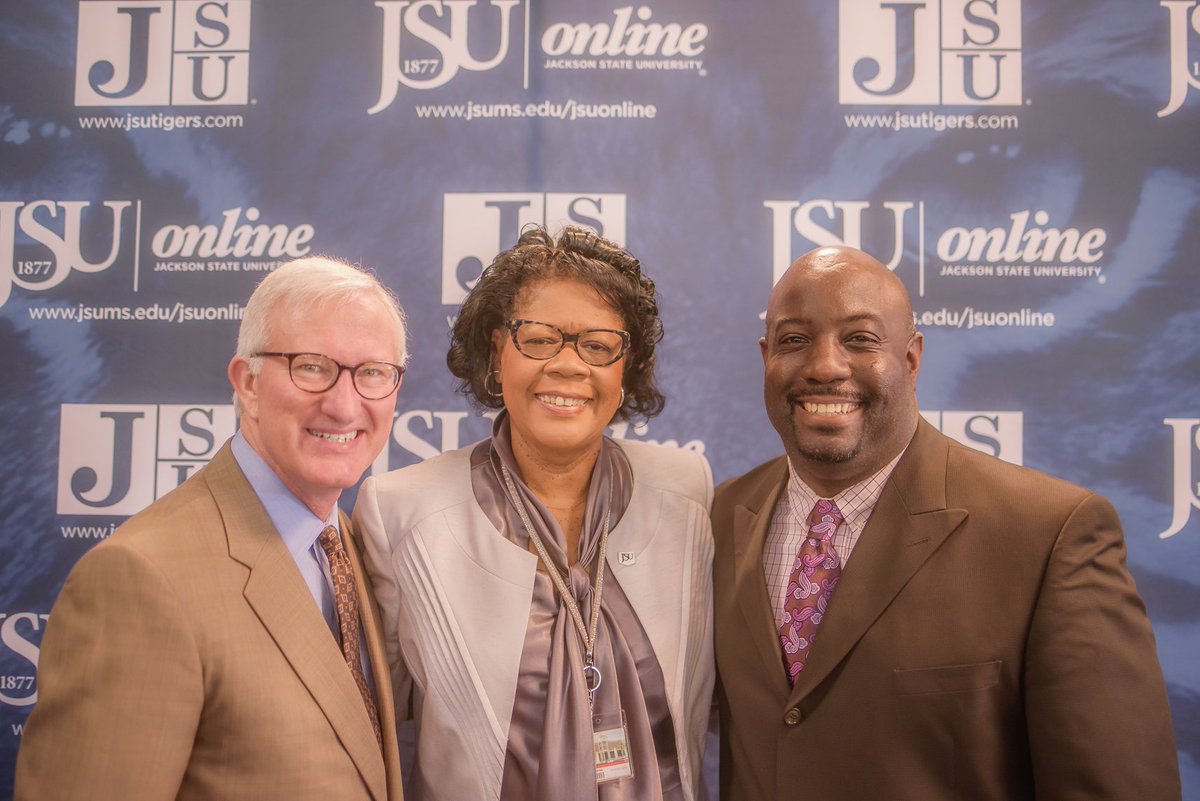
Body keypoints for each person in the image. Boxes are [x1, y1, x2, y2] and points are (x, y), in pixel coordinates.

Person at [713, 245, 1180, 801]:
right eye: (794, 340)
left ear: (911, 359)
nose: (825, 366)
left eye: (860, 339)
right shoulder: (718, 517)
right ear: (766, 356)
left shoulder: (1048, 534)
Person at [15, 256, 408, 801]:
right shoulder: (140, 579)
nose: (344, 406)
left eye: (372, 373)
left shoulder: (355, 547)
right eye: (312, 367)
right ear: (248, 383)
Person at [354, 226, 714, 801]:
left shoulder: (688, 493)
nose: (569, 365)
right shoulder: (402, 512)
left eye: (598, 346)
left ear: (625, 369)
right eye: (541, 339)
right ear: (497, 355)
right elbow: (370, 721)